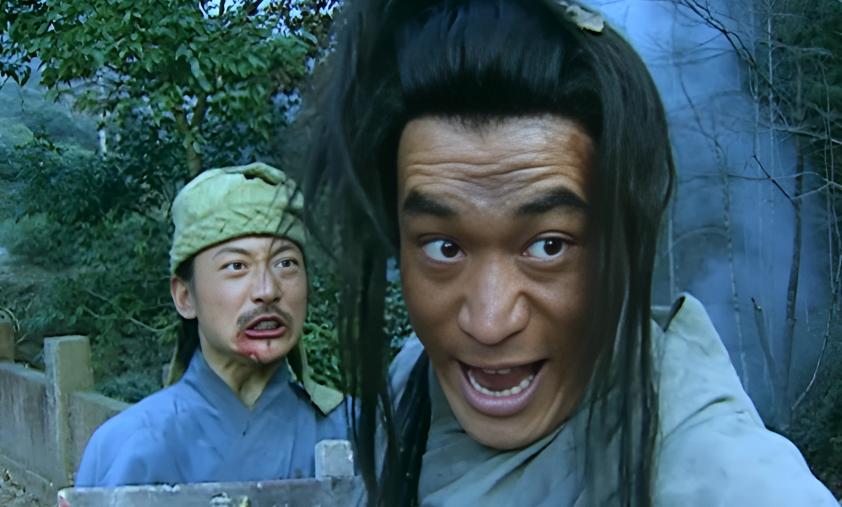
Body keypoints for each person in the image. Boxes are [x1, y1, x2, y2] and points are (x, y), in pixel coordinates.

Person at [297, 0, 838, 505]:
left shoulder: (704, 454)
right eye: (445, 247)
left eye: (548, 246)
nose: (489, 323)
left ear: (617, 245)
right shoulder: (414, 376)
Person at [75, 162, 348, 487]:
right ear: (185, 296)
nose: (267, 290)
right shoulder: (128, 447)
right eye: (236, 266)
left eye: (285, 263)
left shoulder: (357, 432)